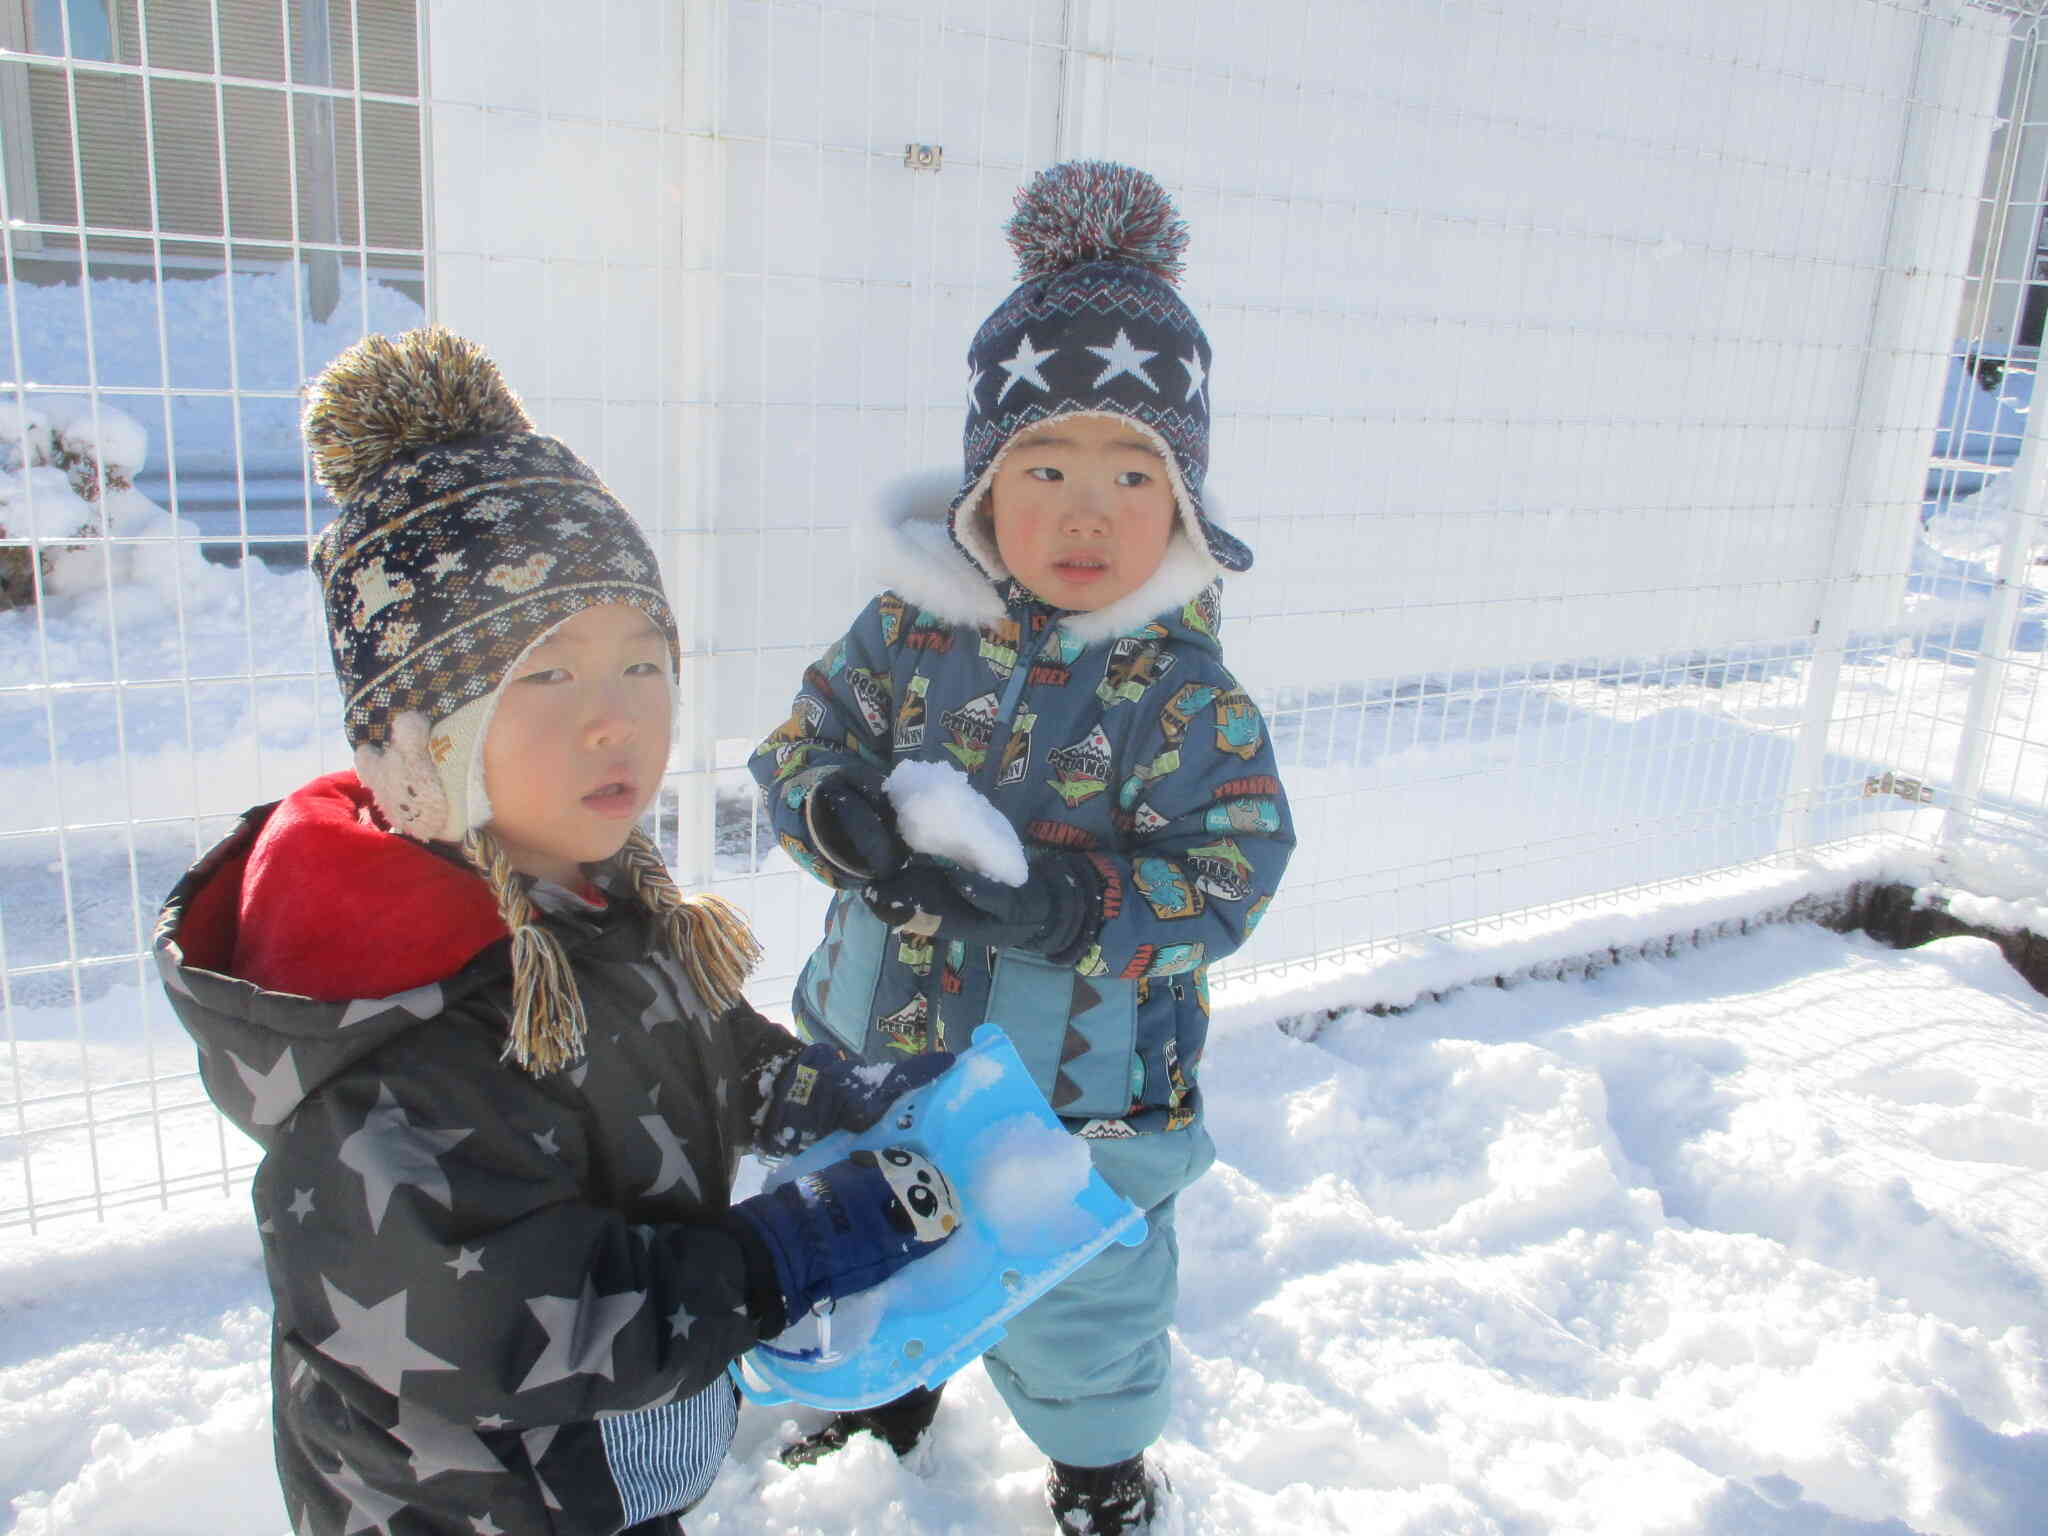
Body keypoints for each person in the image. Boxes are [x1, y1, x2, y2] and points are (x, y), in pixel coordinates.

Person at [153, 327, 960, 1536]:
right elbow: (517, 1319)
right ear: (422, 738)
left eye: (642, 661)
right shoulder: (398, 1026)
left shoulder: (574, 885)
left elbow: (666, 1049)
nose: (615, 720)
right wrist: (777, 1257)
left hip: (600, 1467)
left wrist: (813, 1092)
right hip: (472, 1505)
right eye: (544, 675)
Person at [748, 161, 1295, 1533]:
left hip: (1083, 1096)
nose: (1084, 512)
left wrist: (1070, 906)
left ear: (1182, 500)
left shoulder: (1183, 696)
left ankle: (1100, 1466)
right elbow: (802, 742)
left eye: (1131, 472)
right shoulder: (906, 634)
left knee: (1085, 1303)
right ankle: (885, 1393)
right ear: (989, 482)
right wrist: (834, 811)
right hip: (878, 1056)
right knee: (875, 1240)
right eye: (1043, 467)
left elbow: (1232, 869)